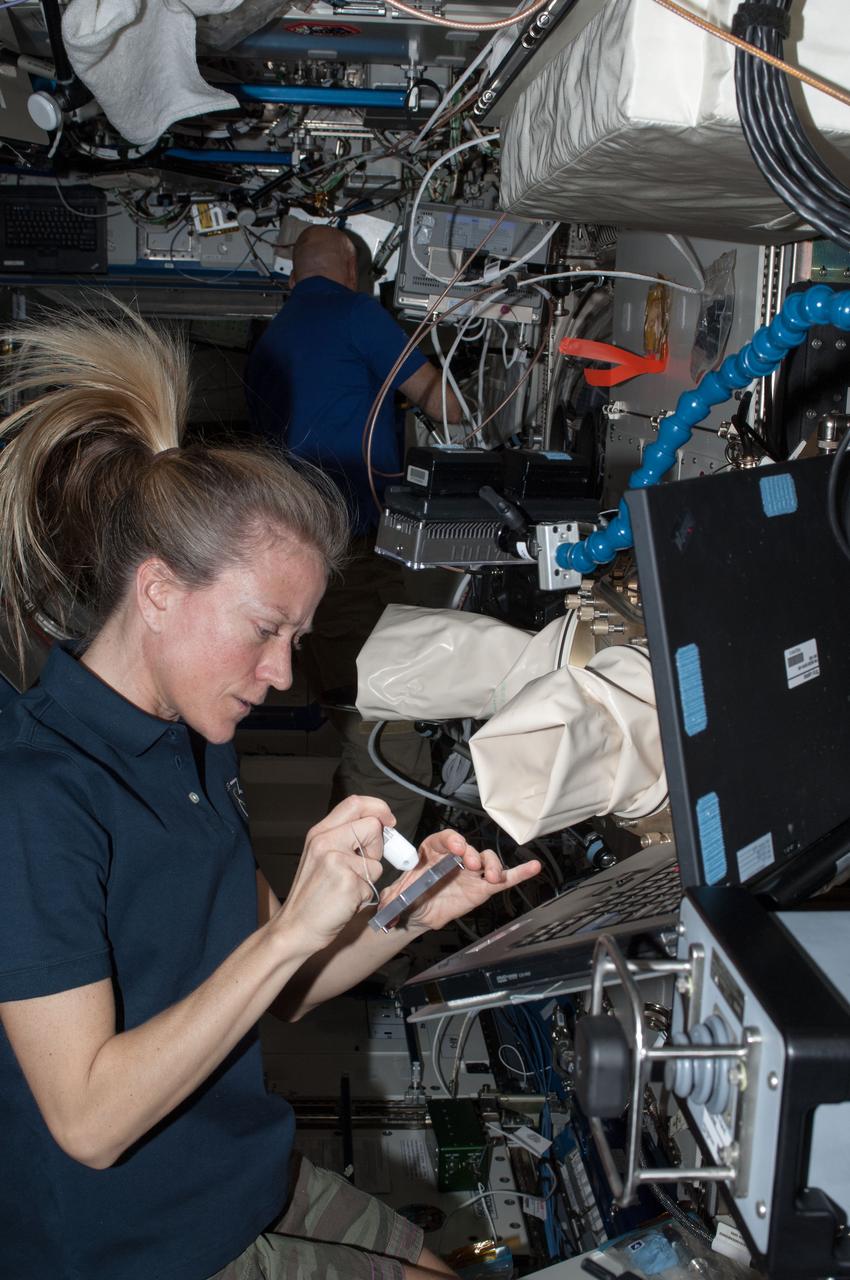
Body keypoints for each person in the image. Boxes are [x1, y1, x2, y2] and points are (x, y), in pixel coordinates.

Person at [0, 308, 540, 1280]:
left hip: (232, 1165)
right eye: (264, 629)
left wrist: (406, 913)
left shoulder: (188, 738)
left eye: (293, 635)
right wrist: (291, 928)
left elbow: (278, 990)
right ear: (159, 590)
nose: (284, 672)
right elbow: (87, 1120)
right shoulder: (34, 797)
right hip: (141, 1241)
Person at [244, 224, 464, 839]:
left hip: (301, 563)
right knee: (385, 729)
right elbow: (443, 402)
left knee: (357, 712)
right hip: (356, 556)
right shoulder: (357, 313)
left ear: (292, 276)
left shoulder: (268, 345)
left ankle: (347, 855)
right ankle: (380, 893)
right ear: (351, 269)